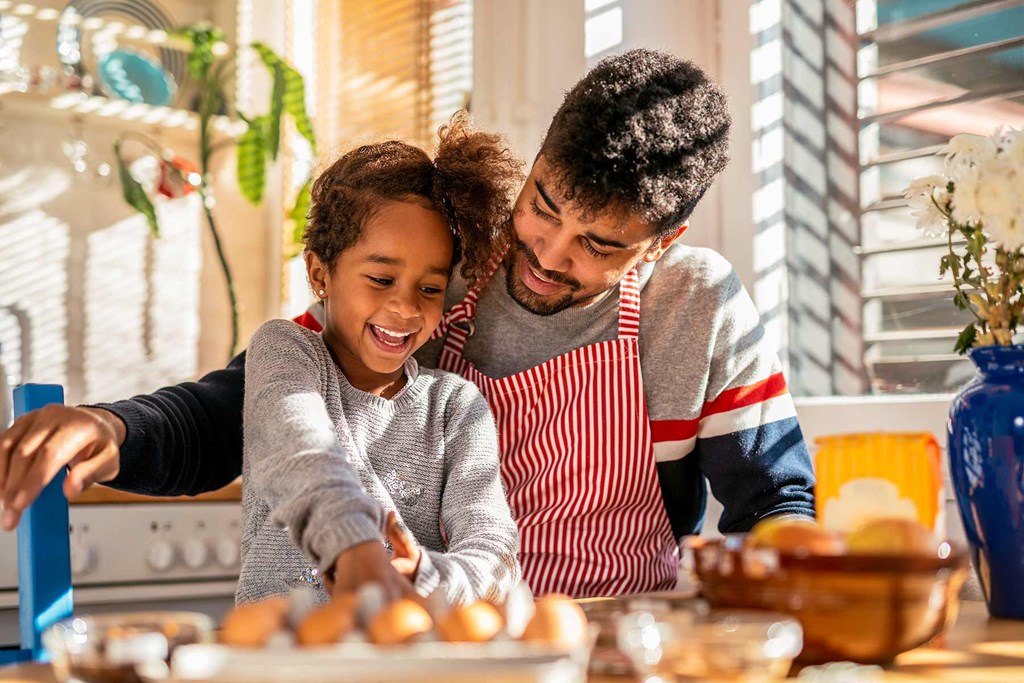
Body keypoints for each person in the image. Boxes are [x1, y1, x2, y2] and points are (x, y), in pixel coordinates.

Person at [0, 49, 814, 598]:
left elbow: (775, 498)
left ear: (660, 242)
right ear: (535, 164)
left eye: (598, 245)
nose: (546, 253)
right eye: (543, 205)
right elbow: (258, 405)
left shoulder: (695, 305)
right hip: (443, 650)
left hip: (614, 649)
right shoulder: (441, 269)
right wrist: (116, 427)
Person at [236, 113, 522, 605]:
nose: (406, 308)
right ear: (320, 275)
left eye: (430, 288)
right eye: (381, 279)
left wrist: (426, 577)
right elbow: (301, 452)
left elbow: (493, 550)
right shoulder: (286, 352)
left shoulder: (455, 406)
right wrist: (355, 548)